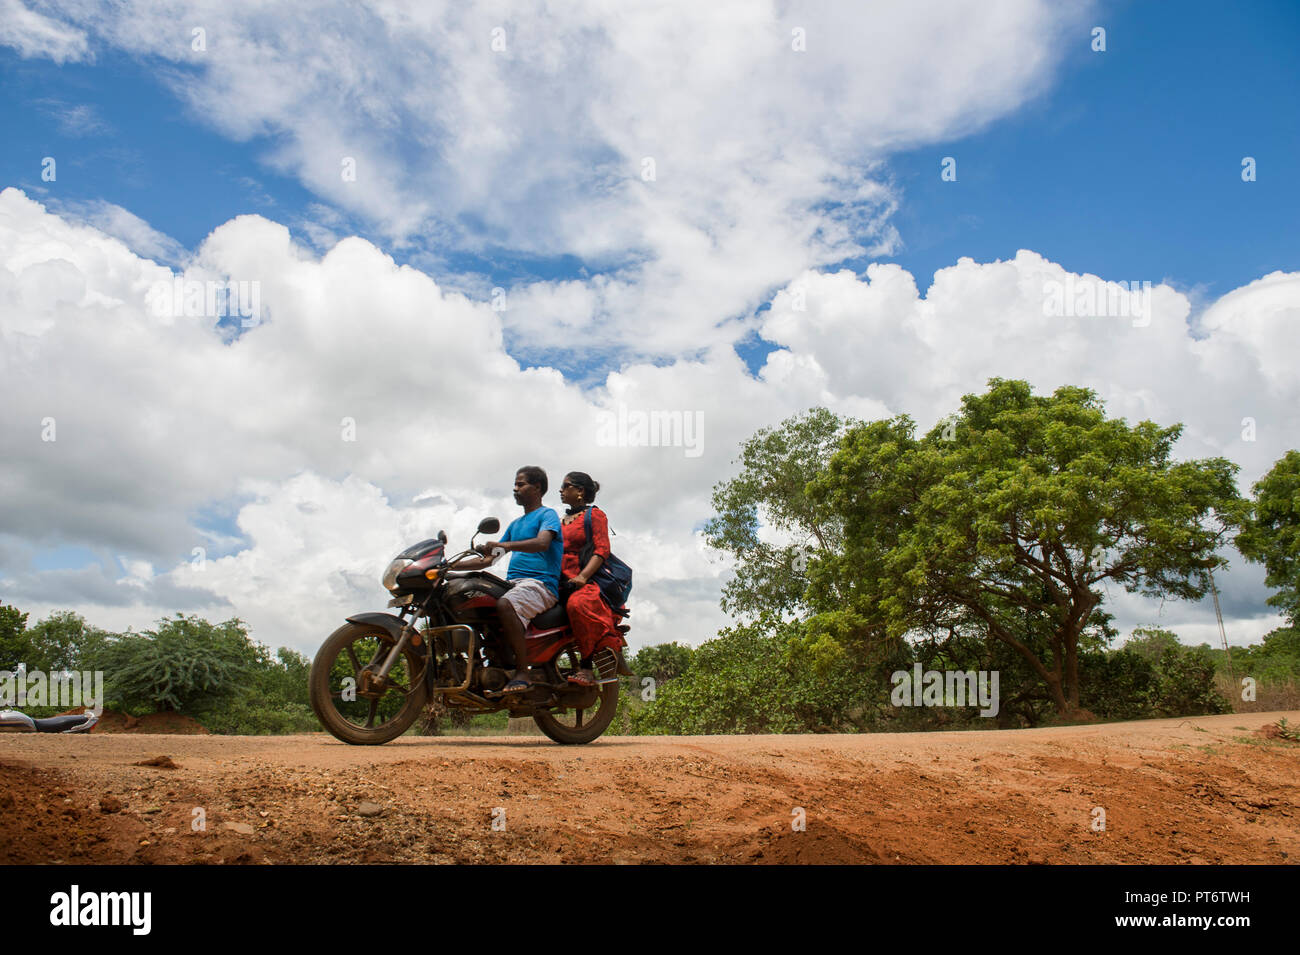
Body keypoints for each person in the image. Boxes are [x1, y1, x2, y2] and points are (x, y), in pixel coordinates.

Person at [459, 466, 563, 694]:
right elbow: (488, 561)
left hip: (540, 585)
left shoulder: (548, 515)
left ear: (537, 488)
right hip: (515, 584)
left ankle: (523, 672)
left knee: (505, 604)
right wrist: (447, 566)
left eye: (521, 484)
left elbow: (542, 543)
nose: (515, 489)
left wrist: (504, 545)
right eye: (515, 485)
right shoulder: (515, 525)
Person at [557, 471, 626, 687]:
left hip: (586, 582)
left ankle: (586, 667)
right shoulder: (559, 521)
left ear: (580, 491)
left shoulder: (595, 516)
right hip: (559, 581)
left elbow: (602, 549)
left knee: (578, 605)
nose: (560, 490)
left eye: (566, 486)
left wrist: (582, 577)